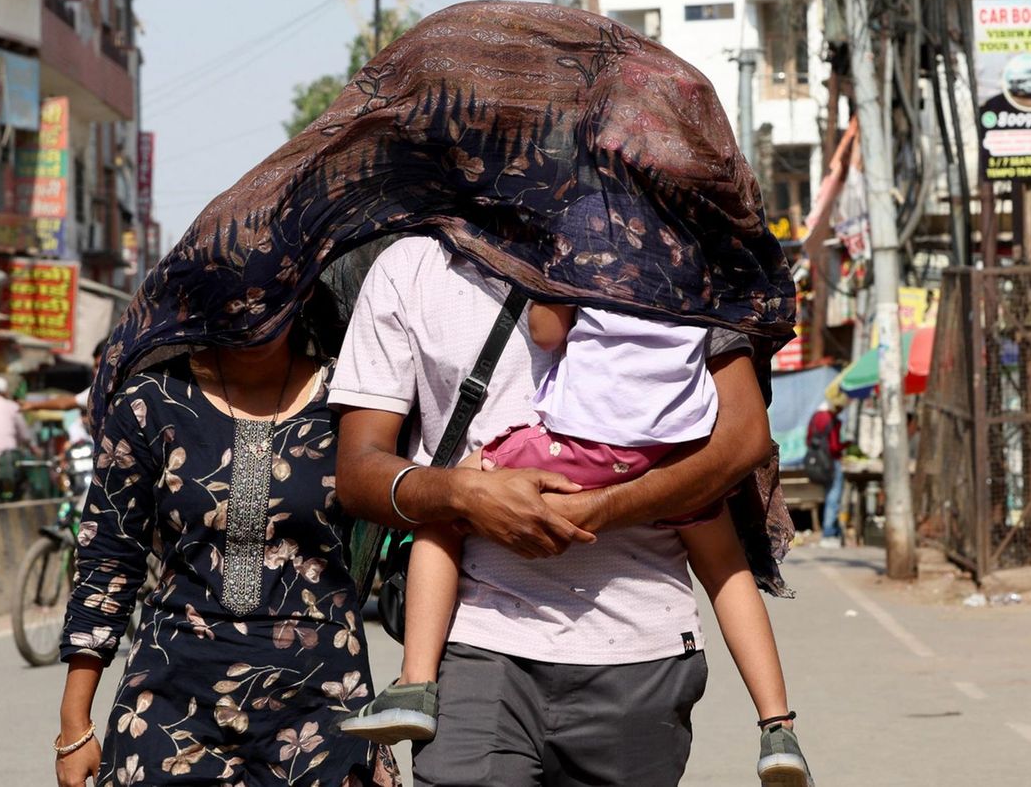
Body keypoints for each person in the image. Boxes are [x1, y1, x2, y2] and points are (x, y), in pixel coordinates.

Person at [330, 236, 793, 787]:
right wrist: (463, 495)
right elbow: (359, 473)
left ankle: (414, 682)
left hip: (641, 657)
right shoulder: (410, 267)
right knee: (458, 496)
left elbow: (743, 439)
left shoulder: (672, 250)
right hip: (479, 650)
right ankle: (777, 725)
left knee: (453, 507)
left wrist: (594, 509)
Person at [54, 290, 400, 787]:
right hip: (172, 700)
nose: (254, 308)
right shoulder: (152, 402)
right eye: (236, 290)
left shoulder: (354, 401)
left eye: (272, 290)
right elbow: (107, 560)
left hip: (321, 707)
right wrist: (75, 724)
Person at [807, 401, 845, 548]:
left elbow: (808, 439)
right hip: (832, 462)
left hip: (820, 463)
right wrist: (847, 444)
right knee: (833, 497)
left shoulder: (815, 417)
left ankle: (830, 531)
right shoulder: (829, 418)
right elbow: (834, 446)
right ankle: (828, 533)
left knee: (828, 495)